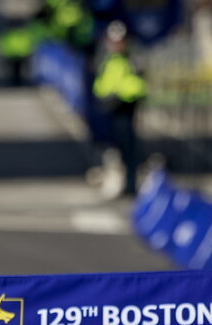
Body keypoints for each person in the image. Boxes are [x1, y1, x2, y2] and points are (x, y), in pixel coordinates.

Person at [92, 21, 146, 197]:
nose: (116, 45)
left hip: (126, 107)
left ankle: (130, 183)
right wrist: (106, 97)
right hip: (109, 107)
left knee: (128, 147)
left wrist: (125, 95)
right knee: (111, 148)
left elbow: (138, 82)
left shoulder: (132, 58)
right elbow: (100, 82)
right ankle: (117, 182)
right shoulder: (105, 59)